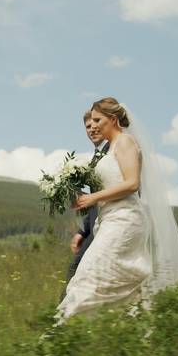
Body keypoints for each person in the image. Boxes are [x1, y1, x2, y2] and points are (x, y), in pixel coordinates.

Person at [56, 97, 178, 322]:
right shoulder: (106, 153)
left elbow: (132, 184)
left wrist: (93, 198)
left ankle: (65, 329)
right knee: (99, 277)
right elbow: (108, 186)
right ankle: (113, 329)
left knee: (90, 273)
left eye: (98, 120)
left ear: (112, 119)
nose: (94, 125)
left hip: (125, 220)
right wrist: (80, 199)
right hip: (108, 220)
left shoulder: (126, 142)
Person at [60, 111, 109, 302]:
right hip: (96, 224)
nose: (92, 129)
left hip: (112, 223)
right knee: (81, 270)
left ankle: (64, 318)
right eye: (88, 126)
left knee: (79, 268)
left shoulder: (115, 150)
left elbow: (127, 190)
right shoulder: (97, 156)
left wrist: (91, 198)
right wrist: (83, 231)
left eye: (96, 123)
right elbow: (97, 202)